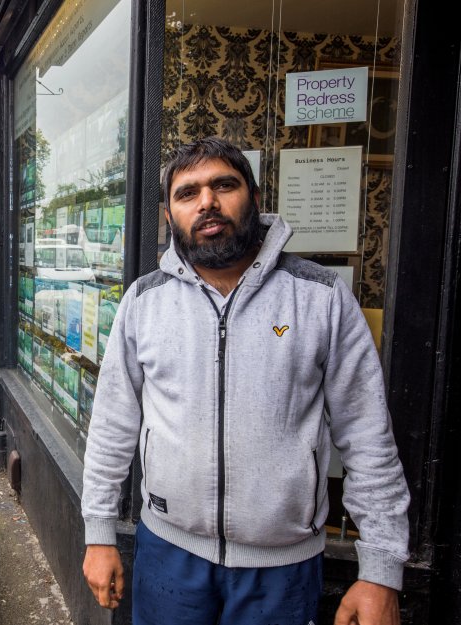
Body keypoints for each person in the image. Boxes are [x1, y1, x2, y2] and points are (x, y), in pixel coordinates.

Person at [81, 137, 409, 625]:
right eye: (187, 193)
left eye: (224, 185)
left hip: (283, 569)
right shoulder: (143, 302)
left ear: (254, 199)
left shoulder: (320, 298)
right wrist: (99, 534)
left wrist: (381, 570)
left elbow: (367, 437)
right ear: (169, 216)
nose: (207, 201)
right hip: (169, 554)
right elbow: (111, 426)